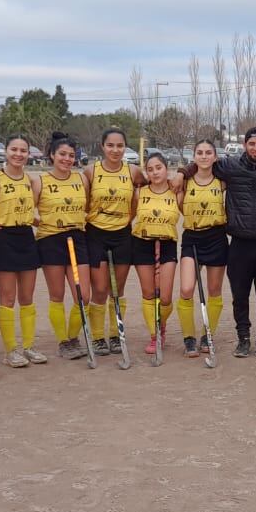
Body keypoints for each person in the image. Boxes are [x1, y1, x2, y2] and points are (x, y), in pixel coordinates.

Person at [182, 126, 256, 358]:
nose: (255, 148)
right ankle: (243, 339)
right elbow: (204, 163)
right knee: (239, 297)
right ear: (245, 145)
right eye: (251, 144)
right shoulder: (229, 167)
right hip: (240, 244)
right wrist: (182, 172)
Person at [0, 134, 45, 367]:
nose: (19, 154)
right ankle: (11, 350)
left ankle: (28, 347)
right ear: (6, 151)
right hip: (4, 239)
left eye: (23, 150)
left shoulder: (31, 181)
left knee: (27, 297)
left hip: (26, 238)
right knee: (8, 298)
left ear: (28, 154)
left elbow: (34, 211)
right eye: (14, 149)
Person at [84, 127, 144, 356]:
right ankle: (98, 336)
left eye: (120, 146)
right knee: (99, 289)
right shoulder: (90, 172)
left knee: (116, 290)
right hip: (96, 234)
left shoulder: (134, 172)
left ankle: (115, 334)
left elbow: (152, 189)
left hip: (122, 234)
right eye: (110, 145)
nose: (115, 150)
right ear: (102, 146)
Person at [35, 132, 92, 360]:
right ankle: (63, 341)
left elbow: (88, 206)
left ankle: (73, 336)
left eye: (71, 155)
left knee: (83, 295)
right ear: (52, 155)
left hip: (77, 239)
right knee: (57, 294)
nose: (67, 159)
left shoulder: (81, 179)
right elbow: (23, 209)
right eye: (62, 154)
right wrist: (43, 223)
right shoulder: (40, 181)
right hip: (51, 241)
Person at [177, 139, 227, 356]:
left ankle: (208, 335)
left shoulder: (223, 181)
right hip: (192, 238)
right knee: (187, 289)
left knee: (214, 290)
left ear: (215, 157)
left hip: (216, 237)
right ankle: (189, 337)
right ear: (194, 156)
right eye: (200, 152)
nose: (204, 156)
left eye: (208, 153)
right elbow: (180, 206)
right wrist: (181, 171)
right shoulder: (185, 182)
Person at [133, 152, 180, 356]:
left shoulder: (176, 192)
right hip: (142, 243)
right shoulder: (139, 193)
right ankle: (154, 335)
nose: (154, 172)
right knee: (149, 293)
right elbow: (128, 216)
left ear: (166, 168)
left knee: (166, 297)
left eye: (158, 167)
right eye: (150, 169)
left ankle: (162, 324)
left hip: (167, 244)